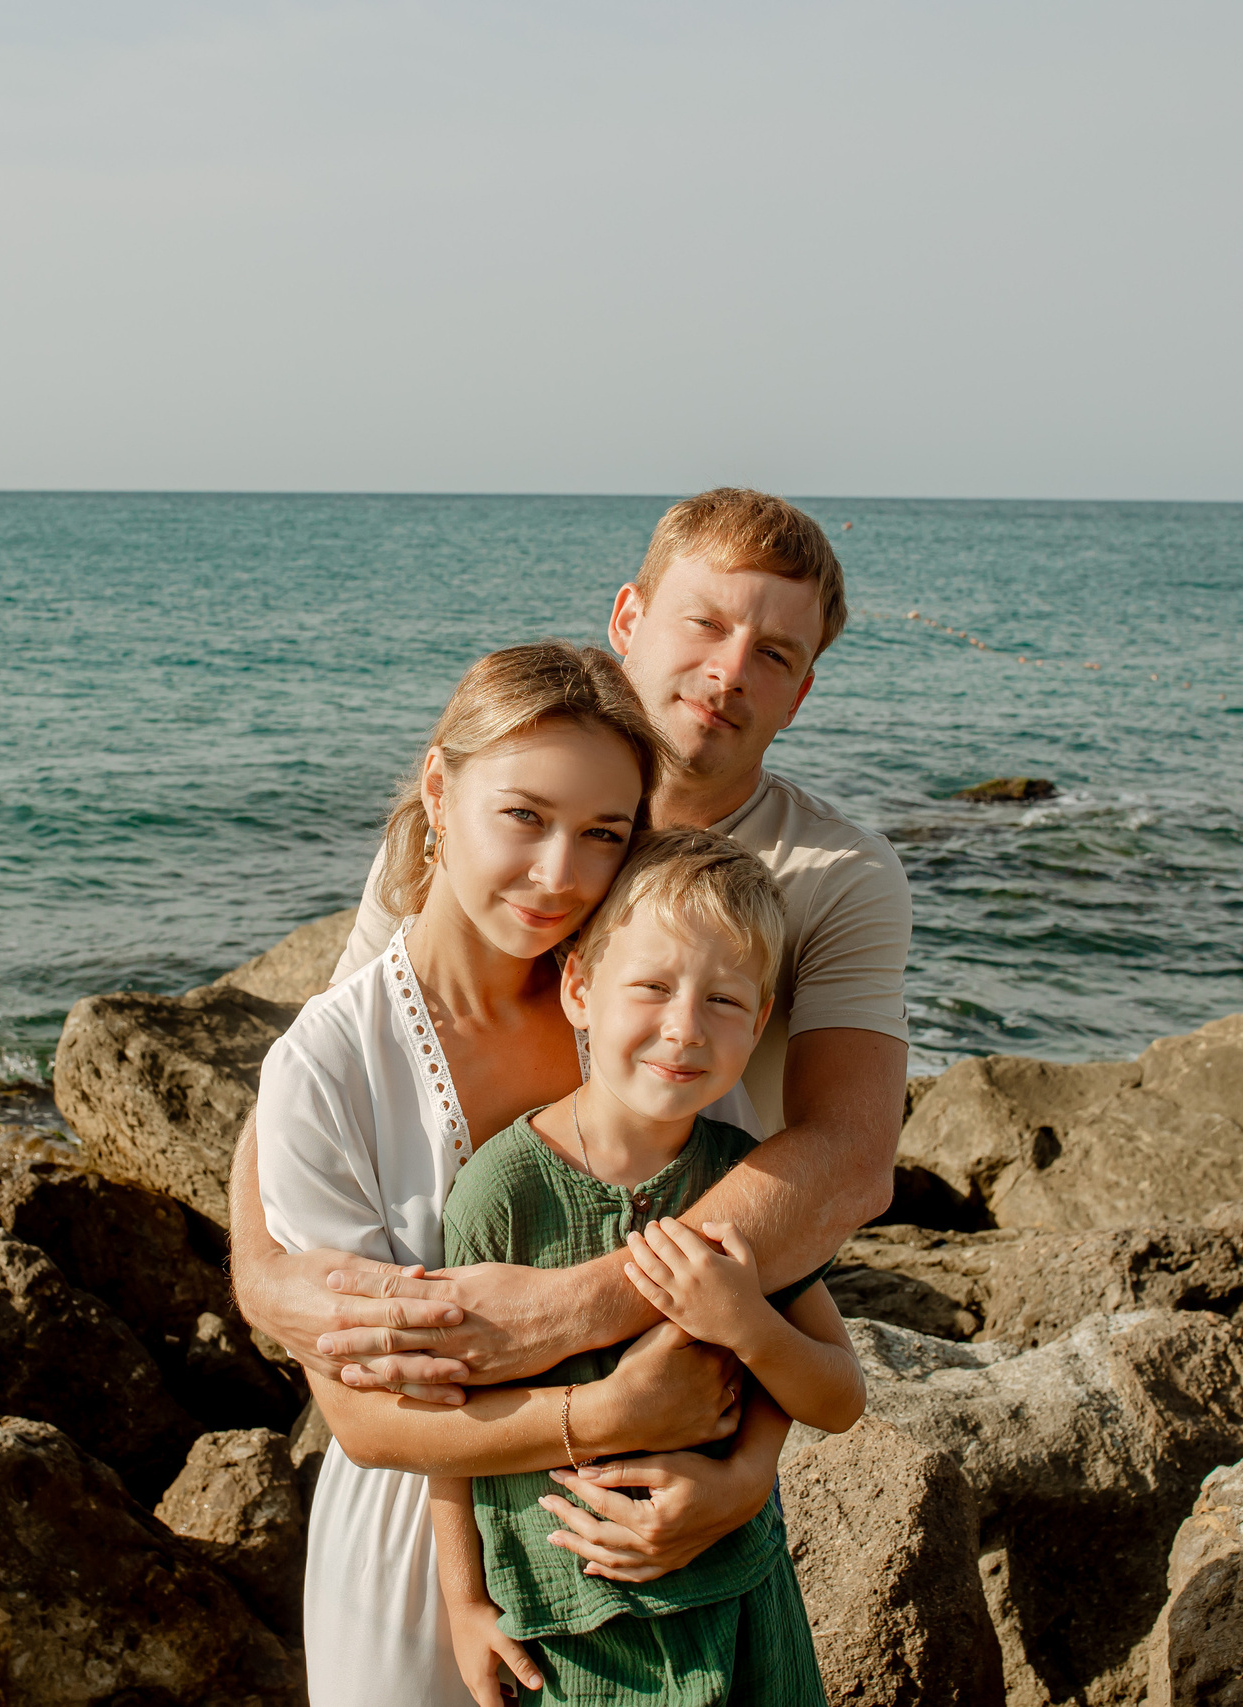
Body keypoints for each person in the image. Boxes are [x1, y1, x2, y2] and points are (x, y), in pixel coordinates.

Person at [235, 489, 910, 1586]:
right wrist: (262, 1274)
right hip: (451, 1429)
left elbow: (849, 1159)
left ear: (802, 690)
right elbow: (324, 1065)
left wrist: (575, 1319)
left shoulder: (837, 876)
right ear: (628, 618)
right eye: (704, 623)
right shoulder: (497, 818)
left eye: (775, 653)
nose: (729, 671)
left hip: (666, 1412)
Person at [255, 639, 757, 1707]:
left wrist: (744, 1474)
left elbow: (748, 1260)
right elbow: (366, 1419)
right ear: (439, 791)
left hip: (638, 1554)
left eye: (603, 833)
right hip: (413, 1561)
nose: (560, 874)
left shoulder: (643, 1014)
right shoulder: (328, 1066)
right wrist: (611, 1413)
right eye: (524, 816)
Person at [433, 830, 863, 1706]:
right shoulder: (502, 1192)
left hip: (742, 1601)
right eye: (653, 986)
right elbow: (447, 1416)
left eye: (724, 1000)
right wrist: (464, 1602)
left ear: (759, 1021)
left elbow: (840, 1396)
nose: (684, 1027)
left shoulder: (745, 1185)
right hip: (571, 1636)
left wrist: (747, 1322)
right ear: (580, 988)